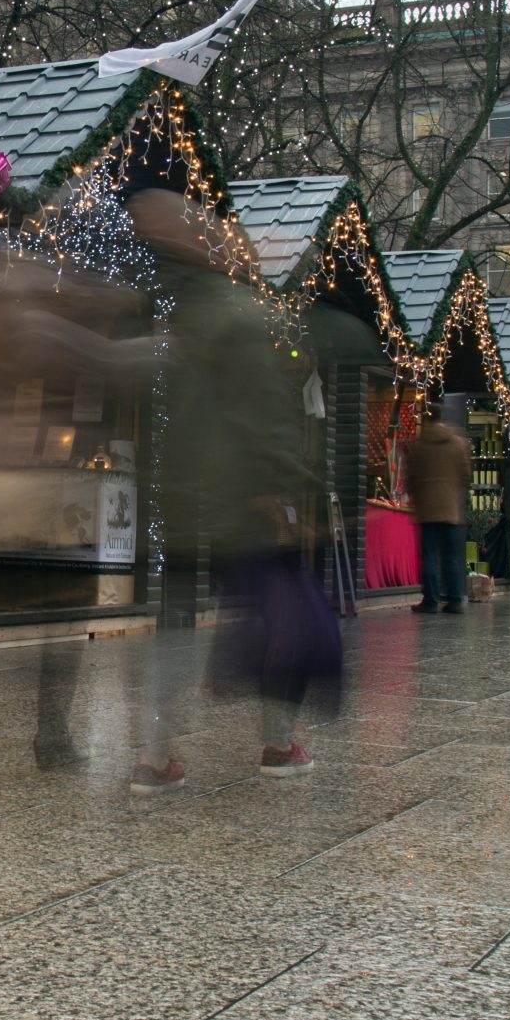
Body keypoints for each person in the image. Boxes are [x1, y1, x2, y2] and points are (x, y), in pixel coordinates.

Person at [128, 188, 334, 789]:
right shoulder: (238, 312)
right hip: (248, 498)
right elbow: (266, 414)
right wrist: (290, 489)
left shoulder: (170, 311)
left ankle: (154, 754)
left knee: (178, 624)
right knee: (281, 616)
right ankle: (277, 743)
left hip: (187, 495)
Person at [405, 401, 474, 614]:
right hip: (450, 507)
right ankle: (454, 599)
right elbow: (465, 475)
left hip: (427, 508)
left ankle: (431, 600)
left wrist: (418, 494)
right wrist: (452, 488)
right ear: (442, 418)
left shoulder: (418, 444)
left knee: (429, 556)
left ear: (427, 418)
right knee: (452, 556)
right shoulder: (457, 443)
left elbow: (411, 477)